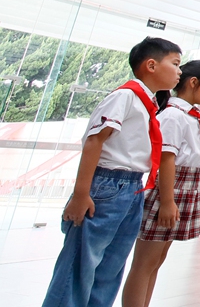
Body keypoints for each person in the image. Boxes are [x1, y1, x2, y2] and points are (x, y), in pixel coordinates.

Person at [42, 37, 182, 307]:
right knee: (80, 265)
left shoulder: (147, 103)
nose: (179, 71)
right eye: (175, 64)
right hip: (108, 184)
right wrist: (81, 194)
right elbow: (95, 141)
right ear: (151, 65)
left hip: (132, 188)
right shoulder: (125, 96)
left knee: (110, 268)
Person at [123, 59, 200, 307]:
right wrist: (167, 201)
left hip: (185, 189)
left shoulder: (190, 116)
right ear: (193, 82)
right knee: (144, 264)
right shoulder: (173, 116)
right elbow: (166, 159)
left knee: (156, 261)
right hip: (170, 190)